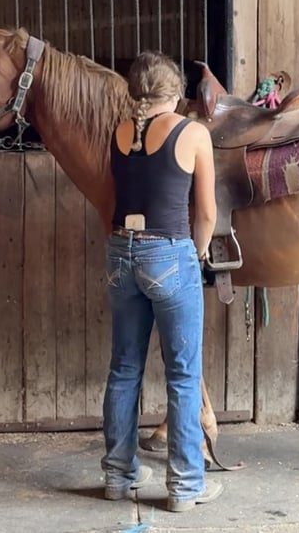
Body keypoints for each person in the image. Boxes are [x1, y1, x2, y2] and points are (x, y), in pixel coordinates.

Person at [100, 51, 222, 512]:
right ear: (174, 92)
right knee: (184, 374)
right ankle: (186, 486)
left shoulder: (119, 133)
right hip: (168, 251)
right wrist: (199, 250)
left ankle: (117, 476)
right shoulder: (192, 133)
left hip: (120, 250)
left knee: (124, 367)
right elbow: (206, 212)